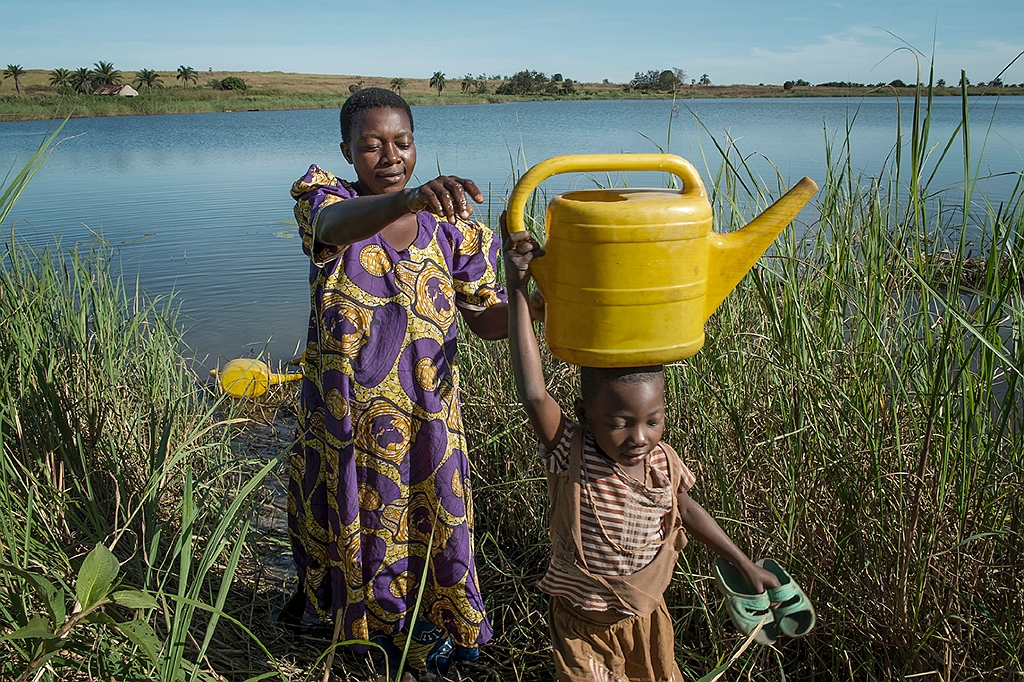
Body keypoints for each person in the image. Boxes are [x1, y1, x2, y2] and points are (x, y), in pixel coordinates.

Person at [285, 87, 509, 681]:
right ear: (347, 152)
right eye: (372, 146)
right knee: (354, 516)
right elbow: (334, 225)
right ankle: (368, 635)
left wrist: (540, 294)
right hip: (348, 418)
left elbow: (488, 320)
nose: (389, 156)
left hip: (428, 416)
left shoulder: (454, 226)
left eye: (402, 143)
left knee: (433, 516)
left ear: (417, 144)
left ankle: (432, 630)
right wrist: (407, 197)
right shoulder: (325, 203)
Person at [502, 219, 781, 682]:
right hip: (582, 630)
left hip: (645, 620)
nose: (639, 437)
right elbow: (533, 393)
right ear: (585, 414)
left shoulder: (662, 464)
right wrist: (517, 289)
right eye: (619, 423)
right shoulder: (572, 450)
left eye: (653, 421)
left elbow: (685, 509)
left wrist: (743, 562)